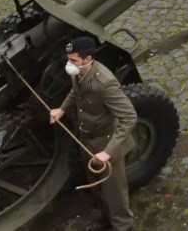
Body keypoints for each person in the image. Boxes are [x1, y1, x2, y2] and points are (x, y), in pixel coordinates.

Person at [49, 36, 137, 231]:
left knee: (114, 192)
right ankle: (107, 217)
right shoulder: (78, 71)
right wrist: (62, 109)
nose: (69, 63)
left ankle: (123, 226)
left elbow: (129, 117)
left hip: (105, 143)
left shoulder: (104, 83)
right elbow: (76, 91)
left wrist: (108, 152)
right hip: (87, 139)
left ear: (87, 59)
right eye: (68, 59)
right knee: (96, 186)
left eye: (73, 60)